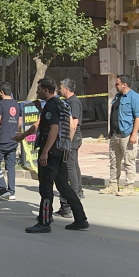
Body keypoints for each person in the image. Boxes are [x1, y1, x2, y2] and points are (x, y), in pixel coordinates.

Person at [15, 78, 88, 233]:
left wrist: (45, 152)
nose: (37, 92)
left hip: (52, 152)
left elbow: (54, 129)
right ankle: (80, 219)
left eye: (39, 89)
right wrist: (23, 136)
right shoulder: (62, 104)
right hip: (61, 150)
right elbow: (39, 124)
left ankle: (44, 222)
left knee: (46, 186)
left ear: (46, 90)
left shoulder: (51, 105)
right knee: (63, 185)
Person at [100, 74, 139, 197]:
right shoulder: (117, 97)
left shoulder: (135, 98)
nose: (115, 86)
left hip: (127, 134)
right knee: (114, 161)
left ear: (124, 85)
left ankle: (129, 186)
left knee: (129, 161)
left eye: (117, 83)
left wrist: (134, 134)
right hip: (115, 134)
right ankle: (113, 185)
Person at [0, 82, 21, 201]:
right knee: (10, 166)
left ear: (1, 92)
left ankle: (2, 188)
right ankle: (11, 191)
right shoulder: (16, 104)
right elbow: (19, 122)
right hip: (13, 139)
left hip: (1, 140)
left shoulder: (0, 104)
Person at [56, 78, 84, 217]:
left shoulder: (73, 102)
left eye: (61, 87)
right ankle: (78, 190)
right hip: (73, 138)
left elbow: (73, 123)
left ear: (66, 89)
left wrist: (68, 141)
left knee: (69, 167)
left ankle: (74, 193)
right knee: (73, 164)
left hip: (73, 138)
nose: (60, 89)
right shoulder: (69, 101)